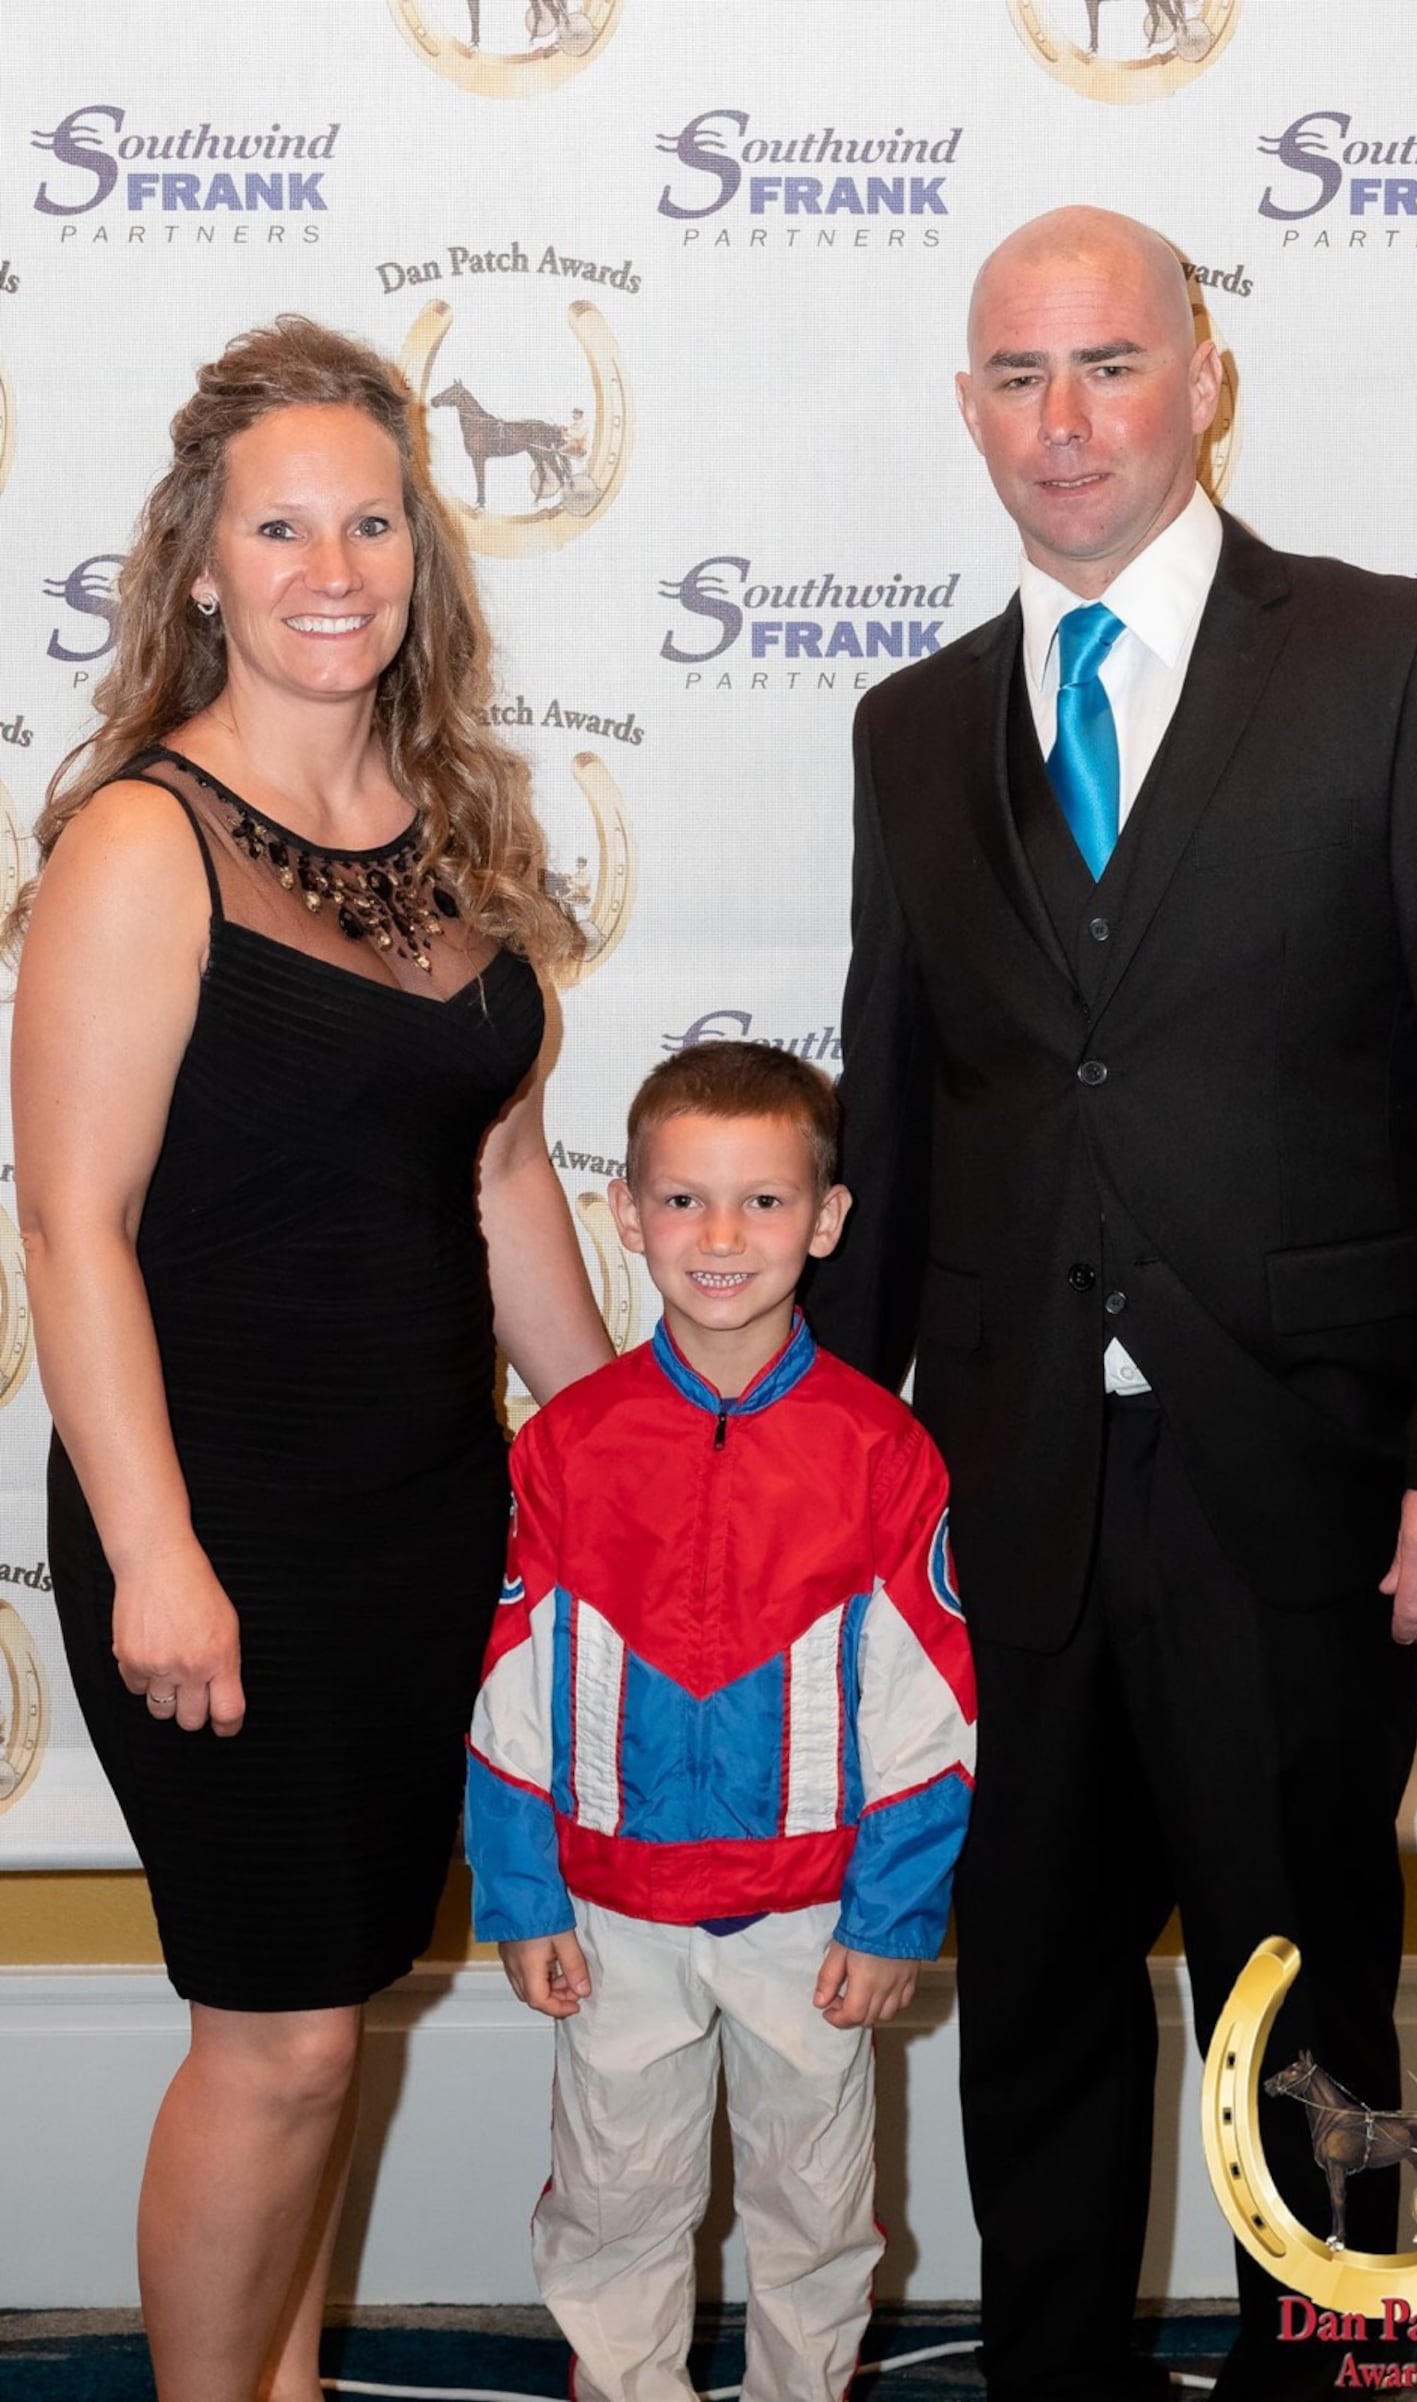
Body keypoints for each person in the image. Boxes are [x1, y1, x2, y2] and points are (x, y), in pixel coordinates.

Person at [805, 206, 1417, 2400]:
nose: (1064, 425)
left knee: (1308, 2000)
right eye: (1016, 379)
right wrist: (826, 1482)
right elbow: (899, 1110)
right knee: (1034, 1988)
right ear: (966, 407)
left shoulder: (1395, 659)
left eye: (1107, 367)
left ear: (1199, 375)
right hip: (1006, 1485)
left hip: (1308, 1482)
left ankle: (1322, 2380)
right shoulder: (909, 727)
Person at [9, 316, 613, 2402]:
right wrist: (156, 1552)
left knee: (329, 2016)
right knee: (269, 2035)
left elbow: (508, 1169)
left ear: (417, 557)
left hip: (427, 1523)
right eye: (282, 524)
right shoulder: (138, 843)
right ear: (201, 562)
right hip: (222, 1529)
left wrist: (630, 1457)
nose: (330, 561)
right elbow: (70, 1225)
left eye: (371, 518)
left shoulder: (444, 842)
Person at [466, 1041, 976, 2402]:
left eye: (761, 1201)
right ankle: (624, 2381)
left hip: (811, 1917)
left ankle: (807, 2384)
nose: (719, 1236)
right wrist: (523, 1891)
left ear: (826, 1218)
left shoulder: (883, 1451)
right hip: (614, 1911)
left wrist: (890, 1913)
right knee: (619, 2189)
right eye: (683, 1200)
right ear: (625, 1212)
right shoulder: (568, 1446)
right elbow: (511, 1686)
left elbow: (932, 1711)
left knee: (817, 2201)